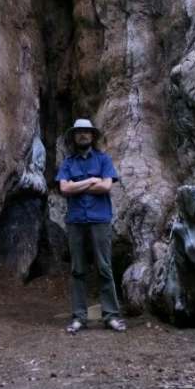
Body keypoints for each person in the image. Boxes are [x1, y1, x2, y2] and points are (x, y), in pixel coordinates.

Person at [55, 118, 126, 334]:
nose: (83, 135)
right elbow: (64, 189)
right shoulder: (68, 163)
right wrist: (90, 181)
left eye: (86, 132)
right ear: (74, 137)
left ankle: (111, 316)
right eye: (79, 132)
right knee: (77, 269)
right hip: (76, 221)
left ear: (92, 136)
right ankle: (79, 317)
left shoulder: (103, 160)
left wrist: (80, 185)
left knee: (104, 267)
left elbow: (105, 186)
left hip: (99, 219)